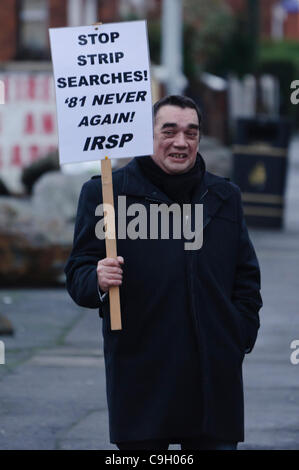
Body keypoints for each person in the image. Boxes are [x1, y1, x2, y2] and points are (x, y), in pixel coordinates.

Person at [65, 95, 262, 450]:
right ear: (146, 135)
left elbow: (246, 278)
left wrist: (238, 335)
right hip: (142, 375)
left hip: (212, 380)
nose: (181, 142)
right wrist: (96, 278)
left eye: (191, 132)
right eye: (168, 132)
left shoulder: (224, 195)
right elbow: (78, 270)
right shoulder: (106, 193)